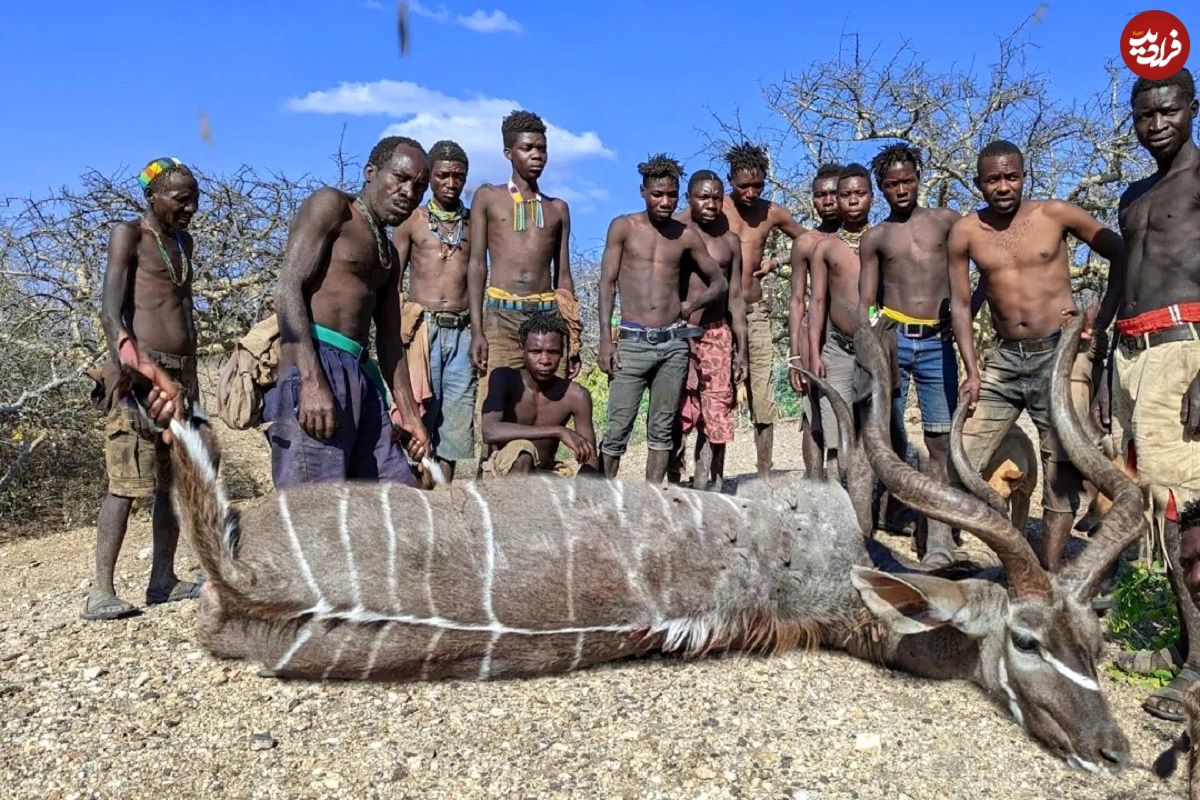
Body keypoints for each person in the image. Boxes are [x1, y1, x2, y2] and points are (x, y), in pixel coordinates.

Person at [948, 140, 1124, 571]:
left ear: (1025, 177)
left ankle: (1048, 573)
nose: (1003, 186)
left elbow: (1119, 252)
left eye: (1011, 176)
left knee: (1060, 468)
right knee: (961, 459)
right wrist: (971, 370)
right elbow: (960, 304)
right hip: (1003, 360)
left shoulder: (1055, 214)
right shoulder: (966, 232)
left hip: (1060, 353)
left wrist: (1100, 317)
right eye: (993, 179)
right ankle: (989, 554)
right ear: (978, 183)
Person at [266, 136, 431, 489]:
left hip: (358, 373)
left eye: (418, 188)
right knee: (314, 507)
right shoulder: (333, 207)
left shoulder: (389, 252)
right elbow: (288, 288)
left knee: (397, 495)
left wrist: (411, 414)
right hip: (313, 360)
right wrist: (311, 382)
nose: (407, 192)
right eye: (399, 179)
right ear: (371, 172)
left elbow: (389, 341)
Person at [1113, 68, 1200, 722]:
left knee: (1184, 514)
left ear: (1192, 108)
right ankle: (1173, 642)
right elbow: (1123, 282)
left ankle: (1195, 669)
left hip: (1185, 349)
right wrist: (1098, 363)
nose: (1156, 124)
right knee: (1151, 505)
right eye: (1145, 115)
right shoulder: (1134, 194)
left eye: (1168, 111)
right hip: (1132, 357)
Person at [85, 157, 205, 620]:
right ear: (152, 196)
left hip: (182, 376)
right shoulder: (128, 234)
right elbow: (112, 314)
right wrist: (137, 370)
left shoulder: (183, 241)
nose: (191, 207)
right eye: (181, 198)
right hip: (139, 376)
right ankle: (101, 591)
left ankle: (163, 580)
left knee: (172, 479)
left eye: (195, 198)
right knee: (125, 481)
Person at [857, 143, 962, 563]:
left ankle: (937, 540)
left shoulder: (947, 222)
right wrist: (867, 347)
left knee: (940, 438)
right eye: (891, 184)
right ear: (881, 189)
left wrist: (971, 309)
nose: (901, 189)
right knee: (889, 434)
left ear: (920, 179)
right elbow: (865, 298)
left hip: (938, 340)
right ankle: (891, 517)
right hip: (893, 337)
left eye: (907, 181)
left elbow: (985, 264)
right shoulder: (876, 237)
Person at [597, 154, 727, 483]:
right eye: (657, 194)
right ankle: (597, 506)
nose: (665, 201)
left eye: (671, 194)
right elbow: (607, 283)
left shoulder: (685, 235)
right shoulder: (623, 227)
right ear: (643, 192)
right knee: (616, 430)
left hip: (672, 344)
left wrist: (688, 308)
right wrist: (604, 341)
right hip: (632, 342)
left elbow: (719, 282)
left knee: (662, 431)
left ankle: (651, 505)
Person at [468, 110, 582, 424]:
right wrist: (477, 331)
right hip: (500, 315)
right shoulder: (488, 197)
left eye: (541, 149)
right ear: (509, 153)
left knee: (547, 407)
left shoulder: (557, 209)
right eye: (527, 148)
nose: (537, 155)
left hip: (546, 316)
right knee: (496, 404)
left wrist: (571, 335)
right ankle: (493, 470)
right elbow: (477, 264)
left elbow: (563, 275)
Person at [722, 142, 806, 478]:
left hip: (755, 311)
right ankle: (705, 473)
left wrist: (777, 261)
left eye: (758, 185)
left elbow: (808, 240)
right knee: (710, 392)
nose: (751, 192)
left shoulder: (773, 212)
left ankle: (764, 474)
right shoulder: (717, 206)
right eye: (744, 185)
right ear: (731, 180)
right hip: (718, 313)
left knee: (763, 394)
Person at [393, 139, 474, 484]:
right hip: (421, 331)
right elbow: (392, 278)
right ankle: (415, 498)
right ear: (431, 178)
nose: (451, 183)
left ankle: (443, 499)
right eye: (443, 175)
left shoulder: (474, 224)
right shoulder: (412, 220)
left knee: (454, 426)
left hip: (463, 330)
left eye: (459, 176)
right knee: (417, 417)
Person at [672, 170, 748, 491]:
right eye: (704, 196)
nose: (711, 203)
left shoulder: (730, 243)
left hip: (717, 333)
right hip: (680, 333)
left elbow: (735, 297)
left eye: (717, 197)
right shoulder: (676, 236)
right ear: (689, 198)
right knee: (677, 411)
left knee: (716, 412)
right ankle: (673, 483)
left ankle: (710, 484)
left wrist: (741, 349)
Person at [807, 164, 873, 478]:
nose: (851, 201)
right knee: (836, 433)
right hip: (837, 348)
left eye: (859, 194)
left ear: (872, 197)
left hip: (874, 348)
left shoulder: (882, 239)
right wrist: (813, 353)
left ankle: (878, 507)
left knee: (875, 431)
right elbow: (817, 302)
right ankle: (838, 503)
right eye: (845, 195)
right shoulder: (826, 248)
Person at [481, 314, 599, 476]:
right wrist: (559, 431)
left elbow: (590, 459)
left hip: (544, 476)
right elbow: (490, 430)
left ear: (562, 353)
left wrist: (583, 486)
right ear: (522, 349)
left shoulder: (576, 395)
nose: (545, 360)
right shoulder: (504, 379)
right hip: (502, 476)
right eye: (536, 351)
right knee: (523, 452)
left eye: (553, 352)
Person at [788, 163, 842, 478]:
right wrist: (795, 355)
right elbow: (797, 300)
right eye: (820, 195)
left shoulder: (862, 238)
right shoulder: (806, 243)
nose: (828, 201)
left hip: (853, 334)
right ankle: (815, 484)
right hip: (815, 336)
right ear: (813, 201)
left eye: (833, 193)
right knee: (813, 412)